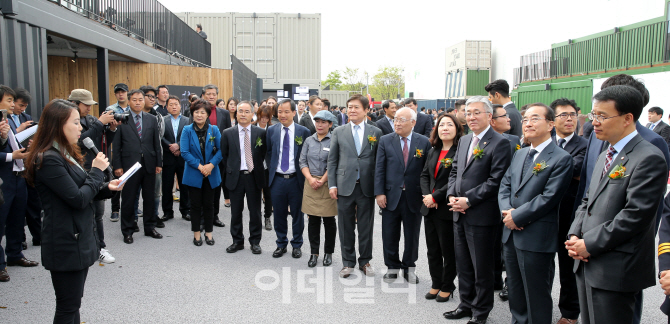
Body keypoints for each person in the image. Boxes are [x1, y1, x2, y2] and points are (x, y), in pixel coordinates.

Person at [574, 74, 670, 324]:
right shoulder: (608, 151)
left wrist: (589, 243)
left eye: (603, 116)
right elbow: (588, 199)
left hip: (616, 266)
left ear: (628, 118)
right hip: (588, 260)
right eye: (594, 115)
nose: (594, 123)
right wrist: (575, 235)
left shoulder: (649, 157)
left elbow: (635, 216)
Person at [24, 99, 123, 323]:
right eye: (76, 122)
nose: (81, 128)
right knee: (68, 307)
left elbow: (82, 190)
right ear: (58, 124)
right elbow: (77, 199)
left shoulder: (65, 153)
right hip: (65, 242)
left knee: (73, 303)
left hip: (77, 237)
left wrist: (108, 187)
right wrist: (97, 172)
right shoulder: (48, 159)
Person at [498, 103, 573, 324]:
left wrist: (517, 216)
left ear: (551, 124)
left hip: (535, 235)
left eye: (534, 119)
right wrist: (507, 213)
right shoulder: (521, 154)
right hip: (511, 233)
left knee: (536, 293)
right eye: (525, 119)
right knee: (515, 289)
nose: (527, 123)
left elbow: (549, 198)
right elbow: (505, 185)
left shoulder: (560, 158)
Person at [444, 96, 512, 323]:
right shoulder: (464, 141)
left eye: (476, 112)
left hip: (481, 215)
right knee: (463, 264)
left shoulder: (499, 142)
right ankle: (465, 304)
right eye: (468, 112)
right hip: (458, 213)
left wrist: (468, 200)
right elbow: (454, 171)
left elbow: (496, 180)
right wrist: (452, 195)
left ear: (490, 116)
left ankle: (480, 312)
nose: (471, 117)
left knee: (481, 267)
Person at [327, 94, 383, 278]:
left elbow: (378, 162)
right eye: (349, 107)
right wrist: (332, 184)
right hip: (344, 185)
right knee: (345, 226)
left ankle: (365, 261)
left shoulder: (376, 132)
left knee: (366, 226)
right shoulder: (339, 131)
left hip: (366, 186)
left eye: (356, 107)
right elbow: (332, 160)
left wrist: (379, 188)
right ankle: (347, 262)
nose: (352, 110)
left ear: (366, 110)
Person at [375, 107, 431, 284]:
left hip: (414, 196)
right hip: (391, 196)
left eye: (402, 120)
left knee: (412, 235)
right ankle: (392, 267)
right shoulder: (385, 140)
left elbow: (426, 171)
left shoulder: (423, 142)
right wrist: (379, 193)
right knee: (389, 234)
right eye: (396, 119)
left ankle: (409, 268)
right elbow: (380, 169)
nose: (397, 123)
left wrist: (427, 193)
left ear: (413, 123)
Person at [69, 89, 119, 264]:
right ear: (74, 104)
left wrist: (111, 130)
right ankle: (87, 247)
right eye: (86, 105)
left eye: (91, 105)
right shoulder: (73, 122)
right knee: (82, 210)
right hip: (78, 170)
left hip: (95, 168)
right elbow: (80, 142)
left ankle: (100, 247)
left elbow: (98, 144)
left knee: (98, 212)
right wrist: (99, 123)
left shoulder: (90, 120)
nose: (89, 108)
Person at [550, 97, 588, 324]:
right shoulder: (544, 141)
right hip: (542, 216)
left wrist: (549, 169)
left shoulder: (586, 145)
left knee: (567, 268)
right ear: (552, 120)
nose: (569, 119)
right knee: (542, 267)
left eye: (572, 114)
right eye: (563, 115)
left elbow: (575, 168)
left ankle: (570, 313)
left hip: (569, 215)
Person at [420, 113, 462, 302]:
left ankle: (448, 285)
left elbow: (457, 180)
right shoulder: (433, 150)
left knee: (447, 250)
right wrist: (428, 196)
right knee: (432, 250)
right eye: (441, 125)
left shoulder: (460, 151)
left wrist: (436, 196)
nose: (445, 128)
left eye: (449, 125)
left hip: (446, 208)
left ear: (457, 128)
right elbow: (424, 176)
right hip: (430, 208)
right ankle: (436, 283)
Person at [113, 89, 163, 244]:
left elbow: (156, 143)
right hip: (129, 166)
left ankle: (149, 227)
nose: (138, 102)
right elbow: (117, 145)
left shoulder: (150, 119)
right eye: (134, 100)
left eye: (140, 99)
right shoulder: (122, 119)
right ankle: (127, 230)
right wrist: (118, 165)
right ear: (129, 101)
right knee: (128, 199)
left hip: (149, 163)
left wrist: (158, 163)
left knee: (148, 197)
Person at [266, 99, 311, 258]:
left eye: (286, 111)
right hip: (277, 179)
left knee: (298, 214)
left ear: (294, 112)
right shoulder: (272, 130)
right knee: (278, 213)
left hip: (296, 179)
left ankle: (297, 244)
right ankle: (281, 243)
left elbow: (307, 155)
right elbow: (269, 152)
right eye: (279, 111)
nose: (282, 115)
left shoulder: (303, 131)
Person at [0, 85, 37, 283]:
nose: (13, 105)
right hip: (3, 178)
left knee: (16, 217)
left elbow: (13, 143)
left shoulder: (8, 121)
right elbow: (7, 151)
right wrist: (10, 156)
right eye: (9, 100)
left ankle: (15, 254)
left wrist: (24, 145)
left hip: (17, 175)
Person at [221, 101, 267, 253]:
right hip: (236, 177)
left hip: (254, 177)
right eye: (240, 111)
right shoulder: (228, 133)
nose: (243, 114)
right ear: (236, 113)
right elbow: (224, 155)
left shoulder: (260, 133)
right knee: (236, 212)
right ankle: (237, 241)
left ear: (252, 114)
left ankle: (255, 242)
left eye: (247, 111)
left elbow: (264, 154)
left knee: (255, 212)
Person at [180, 99, 222, 246]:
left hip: (211, 173)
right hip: (194, 173)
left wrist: (210, 165)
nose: (199, 115)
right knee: (195, 205)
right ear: (192, 114)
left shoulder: (214, 130)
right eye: (196, 112)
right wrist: (200, 167)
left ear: (207, 114)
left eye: (202, 112)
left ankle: (209, 233)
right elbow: (184, 152)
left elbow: (221, 150)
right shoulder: (187, 130)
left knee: (209, 204)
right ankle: (196, 234)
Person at [300, 111, 338, 267]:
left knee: (329, 221)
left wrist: (322, 180)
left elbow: (334, 163)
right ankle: (314, 253)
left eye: (323, 122)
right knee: (313, 220)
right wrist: (310, 179)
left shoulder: (334, 141)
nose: (320, 125)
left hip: (327, 183)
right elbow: (302, 161)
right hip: (311, 184)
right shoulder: (309, 140)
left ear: (330, 124)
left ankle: (328, 252)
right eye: (317, 122)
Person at [12, 88, 41, 250]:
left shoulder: (27, 118)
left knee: (33, 203)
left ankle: (38, 236)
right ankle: (20, 239)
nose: (22, 109)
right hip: (14, 166)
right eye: (20, 105)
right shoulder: (6, 120)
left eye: (25, 106)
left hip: (28, 165)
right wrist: (19, 130)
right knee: (18, 208)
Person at [202, 84, 232, 227]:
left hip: (219, 157)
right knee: (202, 188)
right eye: (208, 94)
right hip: (202, 156)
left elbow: (227, 135)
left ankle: (214, 216)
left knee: (216, 187)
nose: (211, 96)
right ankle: (203, 218)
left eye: (214, 94)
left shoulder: (224, 113)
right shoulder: (198, 112)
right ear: (203, 96)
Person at [161, 95, 191, 222]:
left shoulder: (187, 120)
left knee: (184, 185)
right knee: (167, 186)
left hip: (182, 156)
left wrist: (178, 146)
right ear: (167, 107)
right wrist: (170, 147)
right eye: (171, 104)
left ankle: (185, 210)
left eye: (176, 104)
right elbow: (159, 136)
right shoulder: (162, 120)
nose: (174, 106)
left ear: (180, 106)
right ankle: (167, 212)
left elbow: (190, 135)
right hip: (167, 157)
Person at [140, 86, 166, 229]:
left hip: (153, 157)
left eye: (153, 97)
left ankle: (154, 215)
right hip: (134, 159)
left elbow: (159, 138)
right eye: (148, 96)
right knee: (133, 191)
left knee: (155, 191)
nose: (152, 99)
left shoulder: (158, 116)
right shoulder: (128, 116)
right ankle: (131, 218)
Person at [105, 83, 129, 222]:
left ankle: (132, 205)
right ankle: (115, 209)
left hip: (130, 146)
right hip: (116, 145)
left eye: (123, 92)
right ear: (115, 94)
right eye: (118, 92)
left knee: (131, 179)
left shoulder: (132, 109)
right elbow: (106, 127)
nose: (121, 94)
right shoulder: (110, 109)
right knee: (117, 177)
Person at [255, 105, 274, 230]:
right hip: (254, 166)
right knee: (255, 194)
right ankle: (256, 218)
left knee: (268, 194)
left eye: (266, 118)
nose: (264, 120)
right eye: (262, 117)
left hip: (267, 166)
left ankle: (268, 217)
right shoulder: (252, 127)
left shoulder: (272, 129)